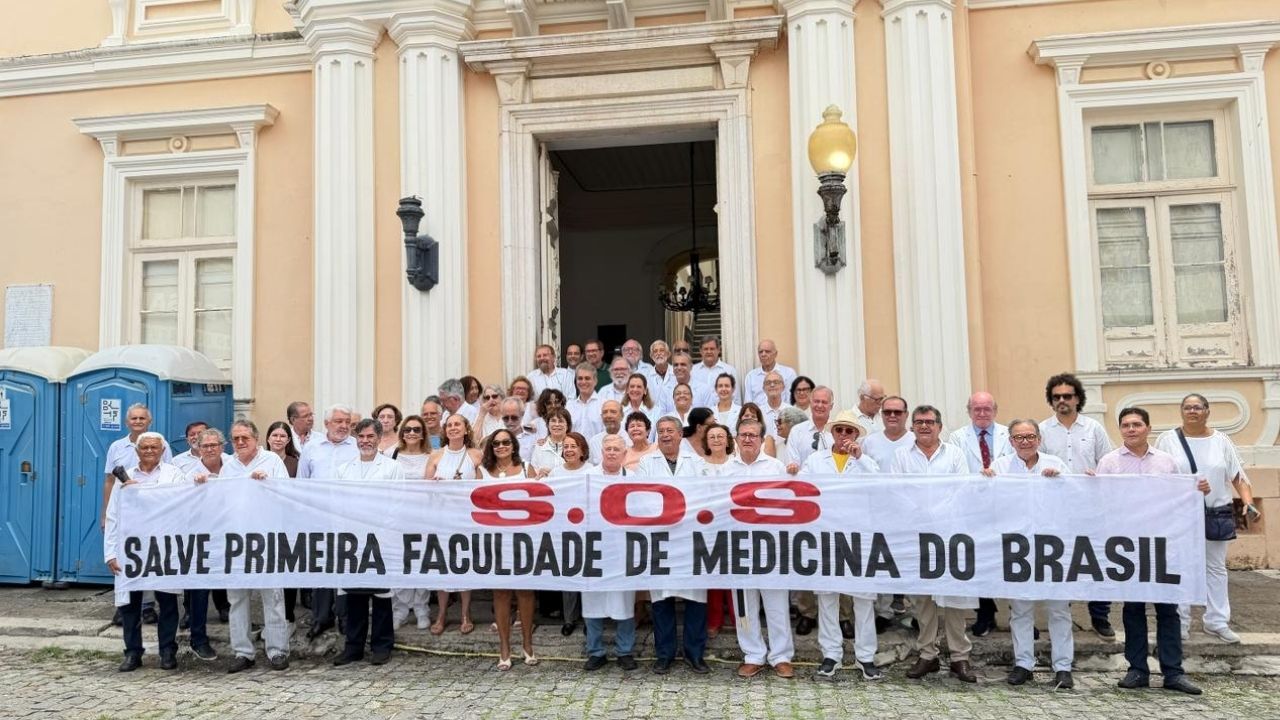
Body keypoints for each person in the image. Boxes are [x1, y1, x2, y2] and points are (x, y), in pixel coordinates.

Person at [1097, 407, 1206, 695]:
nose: (1131, 429)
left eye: (1136, 424)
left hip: (1162, 544)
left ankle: (1173, 672)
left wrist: (1198, 489)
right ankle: (1137, 670)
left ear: (1148, 428)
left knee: (1168, 610)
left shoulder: (1166, 462)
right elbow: (1099, 500)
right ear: (1120, 430)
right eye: (1125, 425)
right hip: (1127, 547)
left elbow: (1182, 496)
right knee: (1133, 609)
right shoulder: (1109, 462)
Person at [1156, 393, 1260, 645]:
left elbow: (1238, 476)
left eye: (1198, 407)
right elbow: (1157, 475)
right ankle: (1180, 623)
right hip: (1179, 514)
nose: (1192, 412)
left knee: (1215, 568)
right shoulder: (1167, 440)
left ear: (1207, 411)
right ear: (1181, 411)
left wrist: (1248, 502)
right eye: (1187, 407)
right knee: (1179, 568)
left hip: (1216, 512)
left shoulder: (1221, 440)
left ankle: (1217, 621)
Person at [982, 420, 1073, 690]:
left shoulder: (1056, 463)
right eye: (1018, 437)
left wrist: (1061, 481)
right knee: (1020, 609)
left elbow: (1077, 496)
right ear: (1010, 441)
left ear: (1039, 438)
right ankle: (1024, 664)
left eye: (1030, 436)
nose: (1025, 441)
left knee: (1059, 609)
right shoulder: (999, 467)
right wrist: (985, 483)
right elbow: (987, 503)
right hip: (1016, 546)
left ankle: (1063, 667)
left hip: (1052, 545)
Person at [893, 405, 977, 683]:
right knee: (923, 600)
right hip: (915, 533)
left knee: (954, 597)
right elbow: (896, 490)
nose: (924, 426)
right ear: (912, 426)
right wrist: (920, 515)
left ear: (940, 426)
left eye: (930, 422)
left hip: (950, 533)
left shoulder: (954, 454)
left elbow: (962, 489)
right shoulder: (901, 456)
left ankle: (959, 657)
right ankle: (927, 654)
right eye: (919, 422)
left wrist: (937, 515)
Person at [800, 411, 883, 681]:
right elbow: (802, 488)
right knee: (827, 598)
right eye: (840, 431)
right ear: (832, 433)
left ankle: (866, 656)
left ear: (856, 435)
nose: (844, 436)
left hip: (859, 536)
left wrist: (859, 458)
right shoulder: (814, 460)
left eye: (849, 431)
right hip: (825, 535)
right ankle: (831, 654)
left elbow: (880, 485)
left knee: (863, 599)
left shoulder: (867, 461)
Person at [1038, 373, 1115, 638]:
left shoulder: (1094, 429)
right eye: (1056, 396)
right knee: (1061, 561)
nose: (1062, 401)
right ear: (1051, 400)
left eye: (1067, 396)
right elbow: (1035, 464)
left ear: (1078, 398)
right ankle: (1062, 614)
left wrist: (1099, 474)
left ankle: (1100, 616)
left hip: (1090, 507)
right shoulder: (1042, 430)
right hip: (1057, 509)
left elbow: (1108, 462)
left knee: (1096, 561)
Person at [214, 420, 292, 672]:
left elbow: (287, 494)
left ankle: (278, 650)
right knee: (237, 598)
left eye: (244, 438)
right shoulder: (229, 466)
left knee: (273, 596)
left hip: (268, 538)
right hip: (237, 540)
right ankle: (242, 652)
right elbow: (222, 501)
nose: (239, 443)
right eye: (235, 438)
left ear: (256, 439)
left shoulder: (272, 461)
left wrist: (267, 483)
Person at [104, 432, 185, 672]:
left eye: (154, 447)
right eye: (145, 447)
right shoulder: (124, 477)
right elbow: (113, 516)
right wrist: (110, 553)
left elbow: (183, 504)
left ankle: (168, 651)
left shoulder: (174, 474)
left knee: (168, 602)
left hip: (164, 546)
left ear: (162, 451)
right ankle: (132, 652)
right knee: (130, 604)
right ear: (137, 451)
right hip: (132, 548)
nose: (149, 451)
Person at [636, 416, 709, 674]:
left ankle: (695, 653)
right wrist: (667, 517)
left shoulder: (697, 463)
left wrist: (684, 516)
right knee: (661, 599)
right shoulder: (646, 463)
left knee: (696, 598)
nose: (666, 435)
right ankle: (664, 654)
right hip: (660, 537)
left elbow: (704, 495)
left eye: (670, 430)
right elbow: (642, 498)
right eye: (661, 431)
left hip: (690, 538)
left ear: (680, 435)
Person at [724, 419, 795, 678]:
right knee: (744, 604)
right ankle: (752, 654)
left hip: (770, 545)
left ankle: (781, 656)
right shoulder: (726, 469)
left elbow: (787, 503)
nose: (747, 439)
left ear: (762, 438)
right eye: (743, 435)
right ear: (736, 438)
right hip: (739, 545)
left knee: (776, 603)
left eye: (753, 435)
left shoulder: (776, 468)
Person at [332, 419, 405, 667]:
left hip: (382, 537)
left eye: (370, 436)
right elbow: (338, 503)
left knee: (382, 595)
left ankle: (382, 646)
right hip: (353, 538)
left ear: (379, 437)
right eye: (361, 436)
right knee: (355, 596)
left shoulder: (392, 468)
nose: (365, 441)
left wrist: (384, 527)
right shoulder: (344, 469)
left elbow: (398, 501)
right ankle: (353, 647)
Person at [949, 391, 1011, 636]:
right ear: (969, 411)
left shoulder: (1010, 434)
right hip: (973, 506)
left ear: (995, 410)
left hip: (1005, 506)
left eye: (987, 409)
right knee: (980, 559)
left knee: (1007, 558)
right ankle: (985, 612)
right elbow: (957, 472)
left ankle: (1017, 615)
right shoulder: (957, 438)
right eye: (977, 409)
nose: (982, 413)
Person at [298, 404, 359, 641]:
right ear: (326, 424)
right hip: (318, 519)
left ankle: (345, 616)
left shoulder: (356, 447)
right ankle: (321, 618)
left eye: (347, 421)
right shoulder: (311, 448)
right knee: (321, 569)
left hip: (348, 518)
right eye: (338, 421)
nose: (343, 426)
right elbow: (302, 484)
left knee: (345, 568)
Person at [479, 428, 538, 670]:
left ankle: (527, 643)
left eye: (506, 442)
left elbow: (539, 500)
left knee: (525, 591)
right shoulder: (481, 472)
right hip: (493, 538)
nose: (501, 446)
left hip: (523, 537)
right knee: (501, 592)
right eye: (496, 443)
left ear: (514, 445)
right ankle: (504, 647)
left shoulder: (527, 468)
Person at [582, 434, 639, 672]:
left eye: (617, 449)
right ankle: (595, 651)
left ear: (625, 454)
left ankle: (625, 651)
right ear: (601, 453)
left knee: (624, 601)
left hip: (622, 547)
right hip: (594, 547)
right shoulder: (588, 478)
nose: (612, 453)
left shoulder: (634, 479)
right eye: (608, 449)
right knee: (592, 600)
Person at [424, 414, 481, 635]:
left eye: (458, 424)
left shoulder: (476, 455)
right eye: (449, 425)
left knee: (463, 565)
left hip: (465, 518)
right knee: (442, 567)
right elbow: (424, 490)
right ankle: (442, 614)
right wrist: (434, 485)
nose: (453, 428)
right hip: (441, 518)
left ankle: (466, 613)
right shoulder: (436, 456)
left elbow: (482, 485)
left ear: (466, 429)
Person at [550, 432, 596, 637]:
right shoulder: (554, 473)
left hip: (587, 529)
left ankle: (590, 618)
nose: (569, 450)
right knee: (569, 576)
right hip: (564, 529)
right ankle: (569, 619)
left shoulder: (593, 472)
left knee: (587, 576)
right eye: (566, 446)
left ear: (582, 450)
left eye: (573, 446)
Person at [696, 424, 736, 639]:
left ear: (728, 440)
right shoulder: (698, 466)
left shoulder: (736, 465)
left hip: (732, 523)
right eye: (712, 436)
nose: (717, 440)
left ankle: (739, 619)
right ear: (706, 441)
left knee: (733, 573)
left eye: (721, 436)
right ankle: (714, 620)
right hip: (707, 526)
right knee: (712, 573)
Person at [265, 420, 303, 622]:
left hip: (288, 523)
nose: (278, 439)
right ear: (268, 438)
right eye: (275, 435)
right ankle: (270, 619)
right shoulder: (259, 460)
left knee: (288, 568)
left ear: (288, 440)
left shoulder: (295, 463)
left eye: (282, 436)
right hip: (263, 523)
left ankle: (288, 616)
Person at [861, 396, 914, 473]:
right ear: (882, 414)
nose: (892, 415)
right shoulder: (869, 442)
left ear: (906, 414)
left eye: (897, 412)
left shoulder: (917, 441)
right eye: (887, 412)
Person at [785, 386, 834, 469]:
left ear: (831, 406)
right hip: (804, 481)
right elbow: (791, 463)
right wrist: (792, 468)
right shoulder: (797, 431)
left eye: (824, 402)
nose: (819, 405)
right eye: (816, 401)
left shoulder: (839, 431)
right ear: (810, 403)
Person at [744, 339, 796, 406]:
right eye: (760, 352)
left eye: (767, 351)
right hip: (758, 415)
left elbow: (791, 401)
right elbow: (748, 404)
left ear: (775, 354)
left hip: (782, 414)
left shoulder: (789, 373)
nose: (763, 354)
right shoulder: (751, 376)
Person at [566, 363, 604, 439]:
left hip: (597, 450)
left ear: (595, 381)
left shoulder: (603, 405)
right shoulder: (569, 406)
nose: (583, 382)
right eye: (580, 378)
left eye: (587, 378)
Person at [531, 407, 572, 477]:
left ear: (567, 425)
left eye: (561, 421)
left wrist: (553, 473)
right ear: (547, 425)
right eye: (553, 421)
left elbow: (579, 470)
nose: (557, 424)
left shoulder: (574, 445)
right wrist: (539, 472)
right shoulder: (539, 446)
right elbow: (533, 473)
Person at [620, 373, 662, 438]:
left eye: (639, 387)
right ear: (627, 390)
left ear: (645, 390)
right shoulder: (619, 410)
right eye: (632, 386)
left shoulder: (656, 411)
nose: (635, 389)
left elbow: (658, 438)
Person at [500, 398, 538, 464]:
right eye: (506, 418)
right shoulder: (496, 437)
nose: (510, 421)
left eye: (514, 418)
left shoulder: (533, 437)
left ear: (522, 414)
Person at [775, 407, 810, 478]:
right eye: (776, 421)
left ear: (792, 423)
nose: (777, 425)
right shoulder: (778, 446)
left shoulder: (805, 446)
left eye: (779, 421)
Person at [646, 340, 678, 413]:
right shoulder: (647, 377)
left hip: (674, 416)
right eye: (655, 351)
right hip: (654, 417)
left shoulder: (676, 373)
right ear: (651, 356)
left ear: (668, 354)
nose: (658, 353)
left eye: (662, 350)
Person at [759, 371, 791, 442]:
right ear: (763, 388)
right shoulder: (758, 413)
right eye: (768, 383)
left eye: (776, 382)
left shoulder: (791, 411)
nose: (772, 385)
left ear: (783, 387)